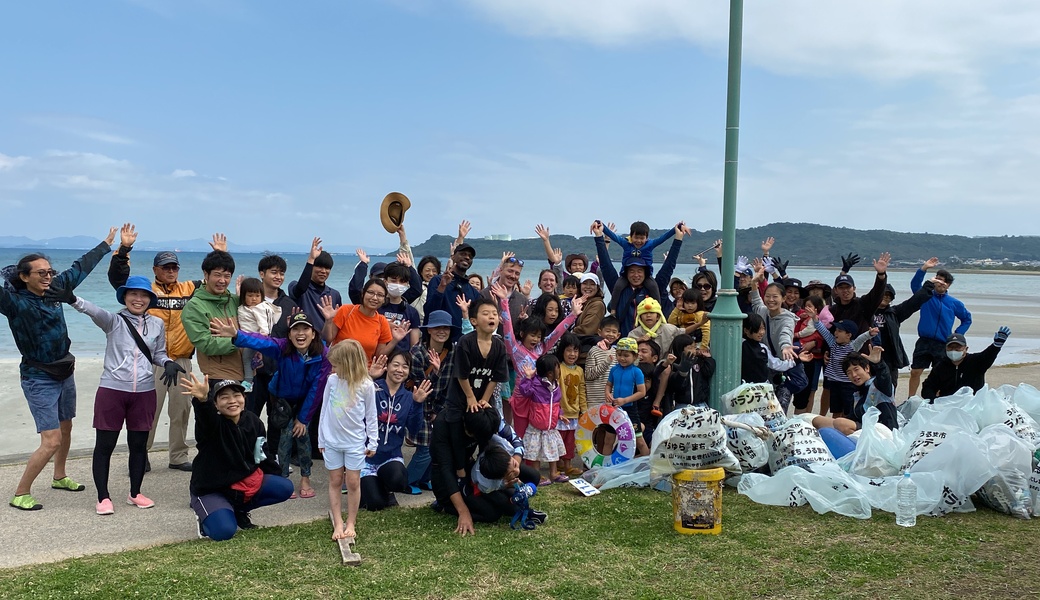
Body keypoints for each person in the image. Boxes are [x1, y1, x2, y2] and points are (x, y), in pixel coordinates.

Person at [2, 227, 115, 511]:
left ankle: (59, 475)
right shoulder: (14, 303)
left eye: (50, 271)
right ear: (24, 276)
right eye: (41, 273)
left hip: (65, 372)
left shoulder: (56, 290)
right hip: (38, 377)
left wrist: (106, 245)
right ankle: (21, 492)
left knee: (66, 428)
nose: (48, 276)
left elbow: (80, 268)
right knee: (51, 440)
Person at [107, 224, 224, 471]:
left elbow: (216, 283)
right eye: (166, 267)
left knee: (181, 412)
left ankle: (178, 456)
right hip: (152, 362)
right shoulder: (146, 291)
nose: (171, 271)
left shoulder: (190, 289)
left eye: (174, 267)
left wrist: (220, 256)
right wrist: (124, 249)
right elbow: (117, 279)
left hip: (181, 360)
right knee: (148, 411)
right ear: (155, 269)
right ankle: (141, 454)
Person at [71, 276, 184, 515]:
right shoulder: (114, 321)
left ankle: (135, 493)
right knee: (105, 446)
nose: (139, 299)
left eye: (144, 295)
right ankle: (103, 497)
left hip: (144, 392)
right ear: (124, 296)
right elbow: (92, 309)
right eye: (133, 294)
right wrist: (71, 298)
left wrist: (169, 362)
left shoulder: (156, 324)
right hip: (112, 390)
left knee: (139, 446)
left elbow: (159, 353)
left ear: (150, 299)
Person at [211, 312, 331, 500]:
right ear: (289, 335)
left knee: (304, 436)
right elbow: (261, 341)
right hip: (282, 397)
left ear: (313, 333)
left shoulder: (323, 354)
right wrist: (237, 335)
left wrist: (303, 418)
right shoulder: (283, 347)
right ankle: (284, 478)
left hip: (307, 399)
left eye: (305, 329)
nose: (300, 334)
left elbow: (317, 388)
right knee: (284, 438)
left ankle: (305, 478)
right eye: (295, 330)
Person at [181, 376, 292, 540]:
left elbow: (262, 454)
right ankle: (206, 517)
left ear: (244, 398)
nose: (232, 401)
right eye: (224, 397)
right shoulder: (212, 425)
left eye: (236, 395)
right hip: (211, 488)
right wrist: (203, 399)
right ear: (216, 404)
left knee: (284, 487)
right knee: (223, 532)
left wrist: (275, 475)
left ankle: (237, 509)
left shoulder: (253, 421)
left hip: (239, 485)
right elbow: (205, 416)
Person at [429, 406, 542, 535]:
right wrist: (463, 511)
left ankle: (499, 493)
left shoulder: (486, 412)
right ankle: (444, 505)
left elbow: (516, 441)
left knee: (532, 476)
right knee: (492, 513)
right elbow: (446, 470)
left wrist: (512, 468)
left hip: (482, 467)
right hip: (451, 476)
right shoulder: (445, 425)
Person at [494, 281, 583, 436]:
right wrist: (504, 302)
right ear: (522, 334)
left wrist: (573, 315)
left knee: (537, 434)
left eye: (539, 336)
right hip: (522, 396)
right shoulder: (515, 349)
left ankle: (532, 459)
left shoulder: (541, 348)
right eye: (532, 335)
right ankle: (519, 457)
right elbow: (507, 327)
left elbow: (557, 333)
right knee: (521, 433)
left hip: (540, 396)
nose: (536, 339)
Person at [442, 295, 510, 477]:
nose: (491, 317)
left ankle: (483, 470)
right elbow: (461, 375)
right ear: (474, 321)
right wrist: (470, 398)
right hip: (460, 397)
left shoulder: (499, 346)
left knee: (486, 431)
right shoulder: (466, 342)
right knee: (456, 435)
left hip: (482, 397)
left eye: (495, 314)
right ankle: (460, 471)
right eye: (486, 314)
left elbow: (496, 377)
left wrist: (484, 400)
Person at [320, 339, 378, 540]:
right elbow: (324, 411)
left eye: (336, 365)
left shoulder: (366, 385)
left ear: (349, 363)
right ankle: (338, 522)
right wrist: (321, 439)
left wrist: (373, 442)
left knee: (353, 482)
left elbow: (371, 416)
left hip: (354, 442)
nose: (333, 369)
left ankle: (351, 521)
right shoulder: (332, 381)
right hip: (332, 441)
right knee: (335, 480)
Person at [360, 350, 432, 510]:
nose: (400, 370)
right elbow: (353, 402)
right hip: (365, 458)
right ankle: (369, 486)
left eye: (405, 367)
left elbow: (413, 431)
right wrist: (369, 378)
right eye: (396, 365)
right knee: (375, 504)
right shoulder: (372, 388)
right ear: (387, 366)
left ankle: (384, 485)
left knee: (399, 480)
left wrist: (418, 404)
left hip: (390, 457)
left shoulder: (408, 396)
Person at [407, 310, 461, 491]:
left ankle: (424, 478)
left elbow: (452, 386)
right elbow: (421, 388)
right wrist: (436, 372)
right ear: (428, 330)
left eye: (445, 328)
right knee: (424, 448)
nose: (441, 331)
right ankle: (408, 481)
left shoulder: (453, 351)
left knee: (437, 446)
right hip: (419, 406)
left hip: (441, 406)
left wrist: (439, 411)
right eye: (437, 327)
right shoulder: (416, 353)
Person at [907, 258, 972, 397]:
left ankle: (936, 398)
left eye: (944, 281)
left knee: (939, 373)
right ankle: (910, 399)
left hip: (942, 343)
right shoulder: (926, 295)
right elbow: (914, 285)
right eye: (938, 279)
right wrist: (924, 268)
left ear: (948, 285)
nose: (941, 283)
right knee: (915, 371)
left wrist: (957, 334)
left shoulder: (954, 303)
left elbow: (967, 319)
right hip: (924, 340)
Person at [181, 250, 244, 383]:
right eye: (217, 275)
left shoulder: (235, 300)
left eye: (227, 276)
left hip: (245, 374)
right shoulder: (195, 306)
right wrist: (241, 341)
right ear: (206, 274)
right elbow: (206, 344)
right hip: (217, 376)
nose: (222, 280)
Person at [804, 303, 876, 418]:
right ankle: (836, 427)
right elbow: (824, 331)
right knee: (836, 410)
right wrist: (814, 318)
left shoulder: (852, 346)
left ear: (848, 335)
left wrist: (870, 334)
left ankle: (846, 428)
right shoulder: (833, 343)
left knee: (847, 410)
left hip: (848, 384)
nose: (835, 333)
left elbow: (861, 338)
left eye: (839, 331)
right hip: (834, 382)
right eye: (836, 330)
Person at [809, 345, 900, 436]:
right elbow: (852, 419)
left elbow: (885, 377)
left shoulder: (879, 385)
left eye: (856, 369)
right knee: (818, 421)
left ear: (867, 368)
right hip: (863, 430)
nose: (854, 375)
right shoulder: (857, 394)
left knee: (840, 423)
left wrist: (878, 364)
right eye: (849, 373)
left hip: (883, 432)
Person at [321, 279, 411, 359]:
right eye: (371, 293)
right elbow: (328, 339)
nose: (375, 298)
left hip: (363, 372)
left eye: (380, 295)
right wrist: (328, 321)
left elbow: (379, 355)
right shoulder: (346, 310)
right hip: (338, 368)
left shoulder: (382, 321)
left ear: (384, 299)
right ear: (363, 293)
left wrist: (395, 340)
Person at [871, 281, 934, 395]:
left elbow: (913, 303)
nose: (886, 297)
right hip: (869, 356)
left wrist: (928, 286)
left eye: (889, 296)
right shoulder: (866, 311)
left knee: (889, 389)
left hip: (889, 359)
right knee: (868, 389)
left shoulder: (894, 313)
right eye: (883, 294)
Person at [516, 355, 568, 485]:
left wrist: (560, 414)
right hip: (536, 427)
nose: (559, 370)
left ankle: (554, 473)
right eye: (557, 367)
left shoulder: (556, 386)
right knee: (535, 453)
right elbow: (524, 391)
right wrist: (528, 377)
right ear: (550, 372)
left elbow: (556, 405)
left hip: (551, 427)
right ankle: (536, 476)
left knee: (553, 450)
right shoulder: (536, 384)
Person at [921, 328, 1011, 401]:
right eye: (951, 347)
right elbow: (928, 387)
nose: (954, 350)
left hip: (974, 405)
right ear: (946, 349)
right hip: (948, 406)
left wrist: (996, 346)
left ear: (966, 349)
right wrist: (935, 401)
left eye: (958, 347)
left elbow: (987, 356)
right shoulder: (940, 367)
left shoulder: (976, 361)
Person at [423, 242, 481, 339]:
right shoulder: (438, 280)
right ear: (453, 257)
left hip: (462, 344)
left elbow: (475, 321)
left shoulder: (473, 292)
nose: (467, 257)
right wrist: (442, 287)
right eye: (463, 254)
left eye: (470, 257)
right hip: (437, 341)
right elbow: (429, 311)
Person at [237, 276, 281, 393]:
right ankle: (257, 362)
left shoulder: (258, 308)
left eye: (257, 296)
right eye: (250, 296)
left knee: (246, 358)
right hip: (248, 339)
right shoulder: (245, 307)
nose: (254, 299)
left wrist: (263, 334)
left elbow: (263, 322)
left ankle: (248, 382)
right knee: (251, 357)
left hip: (255, 338)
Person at [606, 337, 649, 456]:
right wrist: (608, 393)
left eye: (626, 355)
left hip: (630, 409)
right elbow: (608, 385)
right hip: (615, 409)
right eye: (619, 354)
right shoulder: (614, 369)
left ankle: (649, 468)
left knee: (639, 441)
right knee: (608, 440)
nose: (622, 358)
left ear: (635, 357)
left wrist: (625, 400)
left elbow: (642, 392)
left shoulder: (637, 372)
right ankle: (603, 469)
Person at [288, 237, 342, 331]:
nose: (323, 271)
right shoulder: (296, 287)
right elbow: (301, 288)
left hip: (326, 342)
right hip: (304, 340)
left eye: (327, 268)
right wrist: (311, 259)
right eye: (319, 267)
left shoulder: (334, 294)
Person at [555, 334, 587, 477]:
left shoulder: (579, 371)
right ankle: (555, 466)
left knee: (570, 442)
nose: (572, 354)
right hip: (560, 414)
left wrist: (584, 410)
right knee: (557, 440)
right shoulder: (558, 368)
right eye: (568, 350)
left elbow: (581, 391)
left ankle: (568, 466)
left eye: (575, 350)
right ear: (562, 351)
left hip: (574, 414)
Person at [378, 262, 422, 352]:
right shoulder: (376, 308)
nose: (398, 284)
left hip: (402, 361)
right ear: (385, 281)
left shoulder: (412, 312)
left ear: (407, 284)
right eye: (393, 280)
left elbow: (414, 346)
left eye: (402, 281)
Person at [585, 316, 621, 411]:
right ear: (599, 332)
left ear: (618, 335)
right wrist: (606, 362)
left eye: (614, 332)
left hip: (611, 400)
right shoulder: (593, 351)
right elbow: (589, 375)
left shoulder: (617, 352)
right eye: (607, 331)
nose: (611, 334)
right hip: (594, 401)